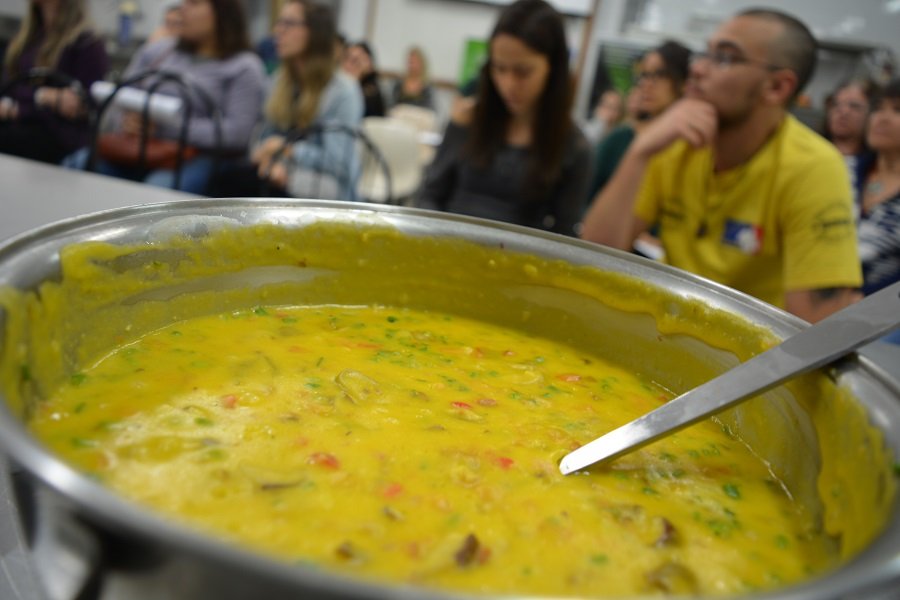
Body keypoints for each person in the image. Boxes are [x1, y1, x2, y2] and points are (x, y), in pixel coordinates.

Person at [581, 8, 862, 323]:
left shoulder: (814, 167)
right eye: (705, 53)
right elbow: (593, 260)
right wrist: (640, 151)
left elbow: (818, 331)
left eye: (725, 58)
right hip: (662, 331)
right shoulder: (676, 143)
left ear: (777, 87)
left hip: (751, 358)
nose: (698, 69)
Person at [417, 0, 590, 237]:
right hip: (447, 247)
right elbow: (429, 195)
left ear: (553, 69)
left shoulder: (574, 148)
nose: (508, 85)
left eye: (523, 72)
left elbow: (564, 238)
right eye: (499, 68)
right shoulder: (468, 119)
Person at [65, 0, 266, 194]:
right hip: (141, 146)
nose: (183, 9)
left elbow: (237, 133)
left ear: (222, 13)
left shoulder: (244, 66)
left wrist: (165, 127)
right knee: (78, 163)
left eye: (194, 3)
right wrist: (127, 122)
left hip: (201, 156)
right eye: (183, 3)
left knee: (157, 189)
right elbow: (120, 97)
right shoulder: (160, 50)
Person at [208, 0, 363, 200]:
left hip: (325, 187)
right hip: (281, 172)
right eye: (279, 22)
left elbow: (338, 163)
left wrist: (288, 150)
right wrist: (270, 158)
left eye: (289, 23)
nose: (278, 30)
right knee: (226, 179)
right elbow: (263, 138)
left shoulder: (344, 91)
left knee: (258, 189)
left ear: (315, 33)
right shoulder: (280, 81)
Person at [0, 0, 108, 165]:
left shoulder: (86, 43)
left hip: (59, 138)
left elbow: (81, 107)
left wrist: (20, 109)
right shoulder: (29, 37)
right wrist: (42, 96)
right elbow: (11, 87)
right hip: (23, 126)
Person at [586, 40, 691, 204]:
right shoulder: (621, 139)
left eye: (660, 75)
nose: (646, 84)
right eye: (644, 75)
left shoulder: (691, 148)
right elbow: (581, 200)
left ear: (684, 83)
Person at [857, 78, 900, 306]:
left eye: (897, 110)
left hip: (880, 322)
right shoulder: (843, 170)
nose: (882, 118)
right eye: (877, 109)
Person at [823, 79, 879, 202]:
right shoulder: (808, 153)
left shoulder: (877, 167)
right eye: (836, 104)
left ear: (873, 113)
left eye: (854, 106)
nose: (843, 111)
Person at [342, 41, 385, 118]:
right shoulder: (339, 83)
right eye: (347, 58)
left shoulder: (371, 89)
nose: (349, 64)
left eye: (355, 61)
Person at [390, 46, 434, 110]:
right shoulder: (398, 84)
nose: (413, 65)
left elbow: (430, 109)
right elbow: (391, 105)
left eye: (416, 62)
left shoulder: (427, 87)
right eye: (411, 62)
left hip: (419, 118)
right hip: (398, 117)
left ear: (422, 64)